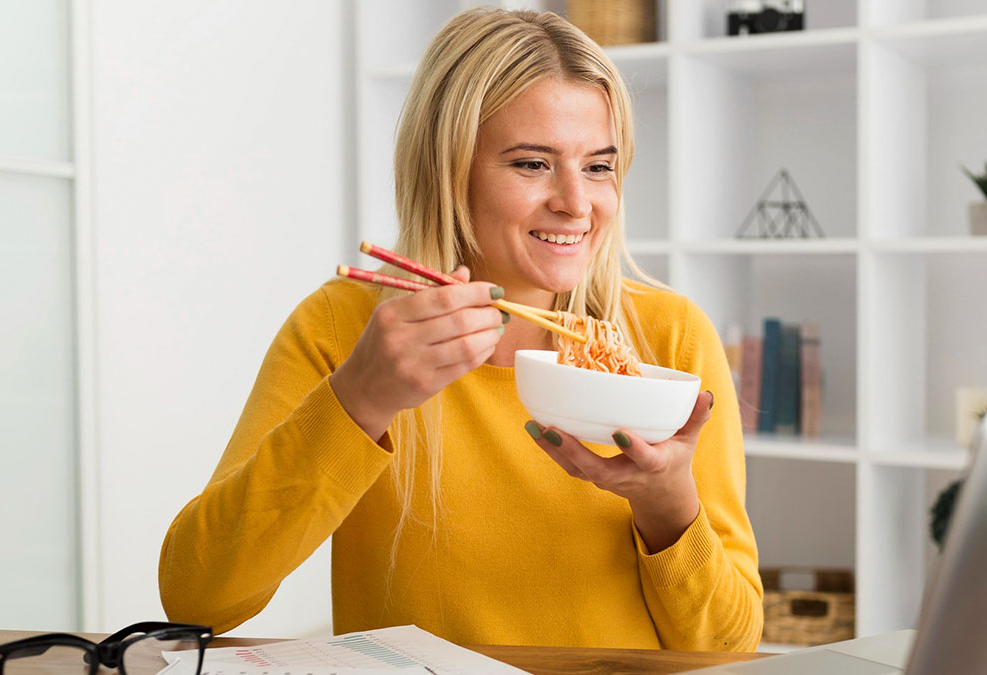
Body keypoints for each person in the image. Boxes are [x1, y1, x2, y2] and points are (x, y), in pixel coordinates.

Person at [159, 7, 764, 651]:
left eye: (598, 166)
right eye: (532, 164)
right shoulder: (344, 329)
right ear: (447, 170)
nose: (576, 203)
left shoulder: (670, 339)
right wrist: (360, 398)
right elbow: (201, 597)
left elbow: (728, 648)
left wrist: (668, 505)